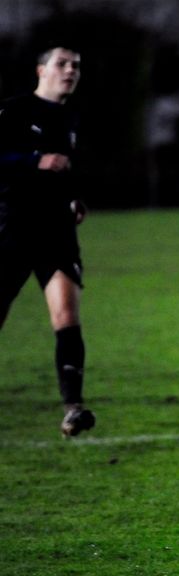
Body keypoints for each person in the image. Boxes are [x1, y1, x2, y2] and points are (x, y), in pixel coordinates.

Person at [0, 46, 94, 437]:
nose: (71, 70)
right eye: (62, 63)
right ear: (42, 70)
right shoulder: (14, 111)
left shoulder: (70, 117)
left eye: (76, 65)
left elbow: (66, 169)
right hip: (13, 228)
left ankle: (73, 407)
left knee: (66, 316)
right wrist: (32, 161)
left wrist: (74, 197)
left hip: (56, 231)